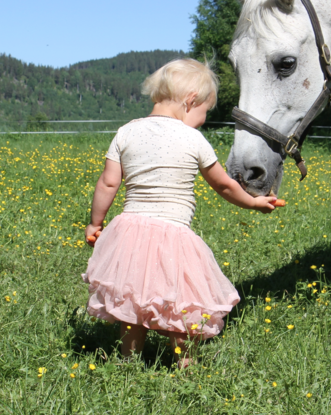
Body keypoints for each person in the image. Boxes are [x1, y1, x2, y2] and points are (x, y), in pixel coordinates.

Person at [83, 58, 277, 366]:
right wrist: (254, 201)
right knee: (181, 302)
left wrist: (95, 223)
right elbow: (224, 186)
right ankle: (186, 366)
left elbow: (108, 183)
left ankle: (127, 361)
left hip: (129, 231)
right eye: (204, 113)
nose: (202, 120)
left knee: (132, 301)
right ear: (191, 101)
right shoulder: (193, 138)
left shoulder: (126, 132)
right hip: (173, 234)